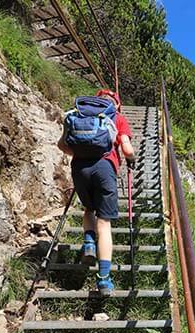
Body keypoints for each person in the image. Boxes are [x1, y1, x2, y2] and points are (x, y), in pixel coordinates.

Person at [57, 89, 136, 296]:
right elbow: (127, 149)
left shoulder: (79, 114)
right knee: (104, 222)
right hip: (104, 168)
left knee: (88, 209)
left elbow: (62, 145)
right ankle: (103, 280)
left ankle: (89, 242)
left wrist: (82, 154)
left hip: (80, 169)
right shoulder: (117, 117)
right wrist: (131, 159)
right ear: (116, 105)